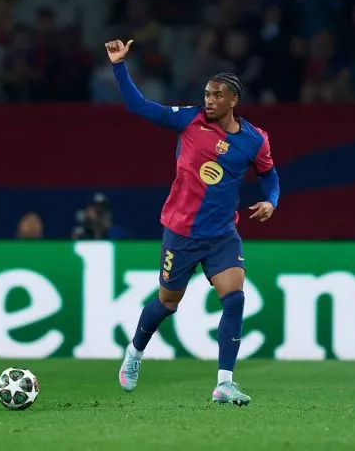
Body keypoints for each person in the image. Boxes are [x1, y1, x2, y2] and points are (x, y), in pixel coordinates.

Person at [105, 39, 281, 406]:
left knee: (234, 300)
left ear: (234, 100)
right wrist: (120, 66)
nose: (209, 100)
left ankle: (224, 383)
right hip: (181, 231)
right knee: (168, 303)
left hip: (222, 235)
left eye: (217, 95)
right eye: (206, 93)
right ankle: (135, 353)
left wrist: (270, 200)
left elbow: (270, 175)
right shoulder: (189, 119)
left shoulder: (254, 139)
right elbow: (139, 106)